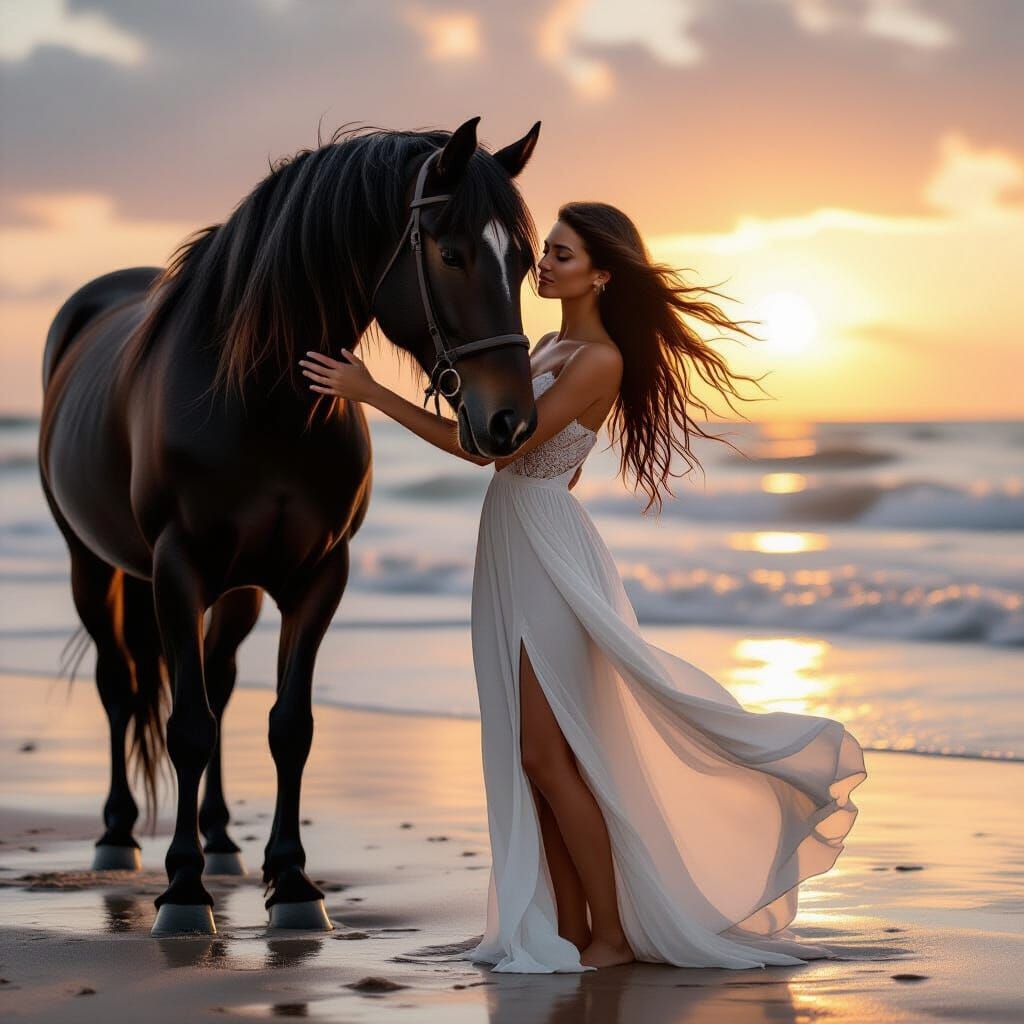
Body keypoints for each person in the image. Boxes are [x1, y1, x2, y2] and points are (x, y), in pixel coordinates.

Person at [298, 202, 867, 974]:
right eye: (548, 252)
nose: (545, 264)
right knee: (532, 758)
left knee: (547, 756)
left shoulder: (598, 360)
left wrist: (370, 393)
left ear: (601, 272)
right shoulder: (546, 344)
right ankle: (568, 932)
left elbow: (495, 451)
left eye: (561, 254)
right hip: (508, 542)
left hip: (547, 547)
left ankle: (612, 935)